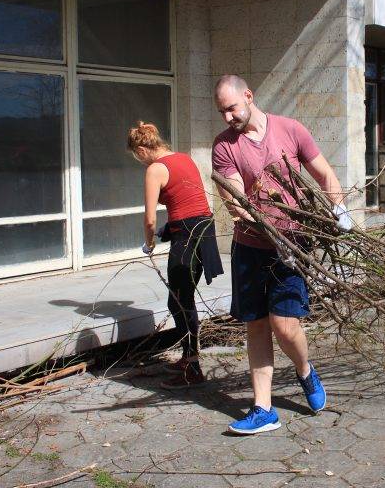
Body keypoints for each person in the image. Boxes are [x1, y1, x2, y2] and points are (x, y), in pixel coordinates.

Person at [212, 75, 352, 435]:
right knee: (256, 324)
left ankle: (305, 371)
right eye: (221, 112)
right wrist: (246, 212)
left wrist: (340, 208)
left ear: (248, 95)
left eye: (231, 108)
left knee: (285, 325)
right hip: (250, 247)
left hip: (292, 246)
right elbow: (236, 198)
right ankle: (264, 409)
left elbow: (323, 172)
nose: (227, 117)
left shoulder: (291, 130)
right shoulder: (224, 146)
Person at [128, 121, 224, 389]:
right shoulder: (184, 158)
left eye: (136, 156)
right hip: (203, 230)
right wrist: (167, 229)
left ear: (140, 150)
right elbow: (187, 200)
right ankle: (188, 357)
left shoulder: (154, 169)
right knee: (182, 298)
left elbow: (148, 218)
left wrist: (149, 243)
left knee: (180, 301)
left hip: (188, 238)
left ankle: (192, 367)